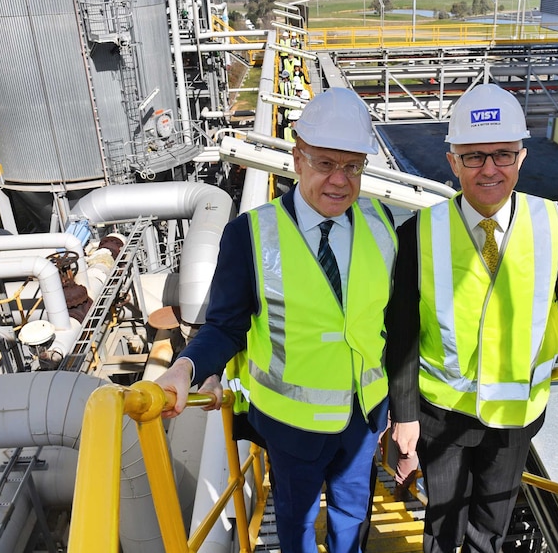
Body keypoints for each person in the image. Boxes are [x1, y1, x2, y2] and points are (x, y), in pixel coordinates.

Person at [385, 83, 558, 553]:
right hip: (442, 414)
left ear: (522, 157)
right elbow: (403, 330)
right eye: (474, 157)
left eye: (503, 154)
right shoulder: (418, 233)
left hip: (515, 417)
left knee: (488, 529)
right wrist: (404, 414)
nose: (490, 168)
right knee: (442, 525)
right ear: (452, 161)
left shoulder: (556, 224)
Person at [156, 87, 397, 553]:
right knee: (295, 520)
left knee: (354, 513)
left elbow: (391, 319)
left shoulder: (381, 222)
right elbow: (226, 326)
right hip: (292, 426)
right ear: (297, 159)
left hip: (364, 418)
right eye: (326, 163)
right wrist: (187, 368)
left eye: (352, 166)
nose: (339, 181)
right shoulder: (249, 236)